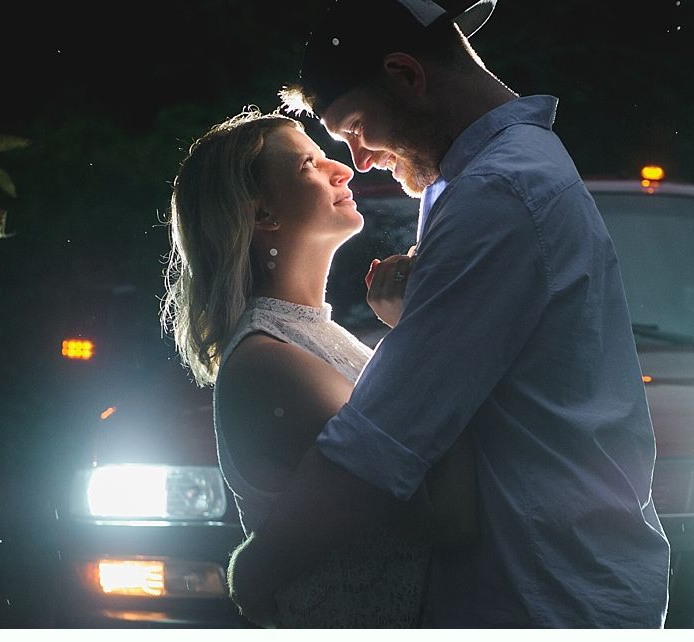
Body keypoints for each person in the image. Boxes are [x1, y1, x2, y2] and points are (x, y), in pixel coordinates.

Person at [228, 0, 671, 628]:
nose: (359, 161)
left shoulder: (497, 193)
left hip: (543, 595)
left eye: (353, 129)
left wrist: (257, 565)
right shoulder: (480, 180)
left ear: (406, 76)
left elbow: (384, 436)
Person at [161, 108, 476, 627]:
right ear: (262, 215)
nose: (344, 169)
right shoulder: (270, 362)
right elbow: (447, 514)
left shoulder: (318, 338)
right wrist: (422, 328)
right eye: (309, 163)